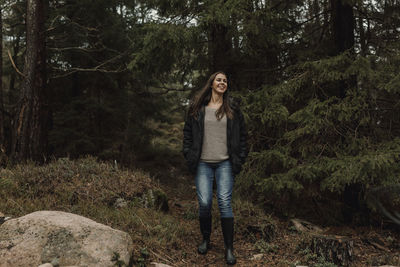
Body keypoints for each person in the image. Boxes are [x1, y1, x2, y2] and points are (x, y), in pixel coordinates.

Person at [183, 71, 248, 265]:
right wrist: (188, 153)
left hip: (225, 163)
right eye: (219, 80)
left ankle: (229, 248)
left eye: (225, 80)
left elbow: (243, 136)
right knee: (204, 203)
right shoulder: (198, 108)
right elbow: (187, 134)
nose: (222, 82)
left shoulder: (233, 109)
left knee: (224, 201)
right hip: (203, 162)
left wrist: (240, 158)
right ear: (211, 84)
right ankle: (206, 239)